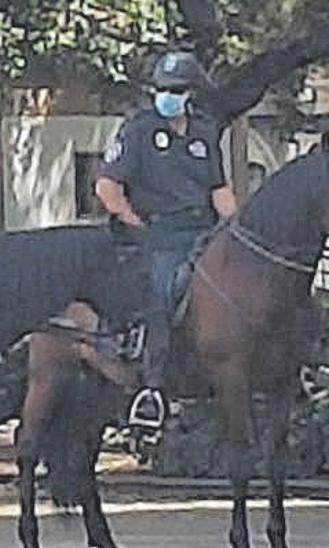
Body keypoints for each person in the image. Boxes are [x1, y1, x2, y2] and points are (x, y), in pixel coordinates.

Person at [94, 51, 238, 431]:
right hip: (158, 234)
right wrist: (133, 222)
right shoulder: (138, 130)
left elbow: (218, 189)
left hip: (204, 230)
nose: (166, 95)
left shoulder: (204, 132)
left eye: (175, 89)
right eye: (161, 89)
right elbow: (108, 186)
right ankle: (152, 390)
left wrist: (237, 225)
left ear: (192, 94)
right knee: (162, 291)